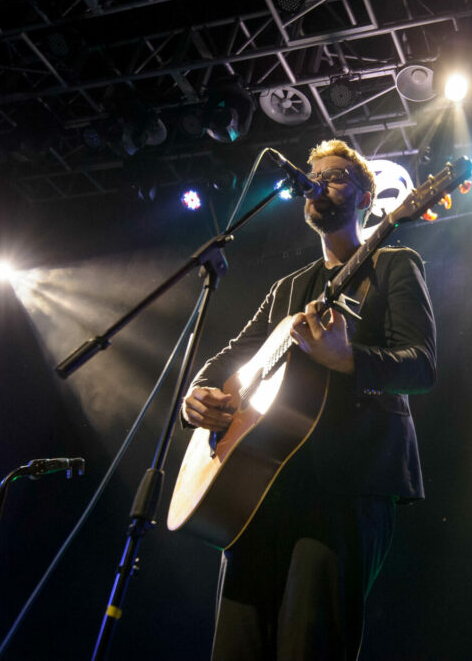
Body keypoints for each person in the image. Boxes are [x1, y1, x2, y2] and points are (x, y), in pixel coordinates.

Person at [180, 139, 436, 661]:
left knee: (310, 645)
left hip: (347, 484)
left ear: (367, 198)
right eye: (313, 177)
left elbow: (422, 366)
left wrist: (348, 359)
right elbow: (230, 356)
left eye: (337, 176)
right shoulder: (287, 288)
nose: (319, 183)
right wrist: (196, 396)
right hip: (261, 489)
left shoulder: (395, 264)